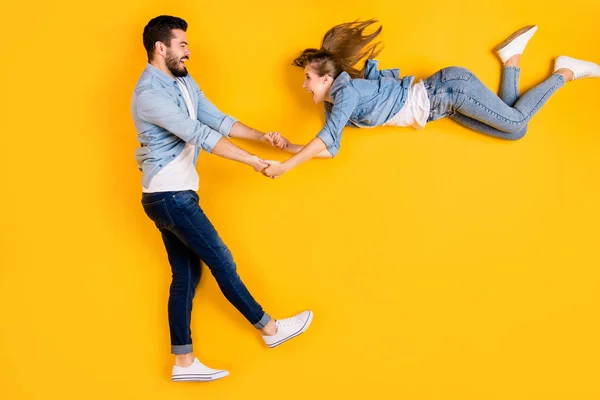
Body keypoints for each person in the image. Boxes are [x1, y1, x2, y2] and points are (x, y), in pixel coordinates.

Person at [131, 15, 313, 382]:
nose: (189, 51)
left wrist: (263, 137)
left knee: (186, 273)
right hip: (170, 195)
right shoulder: (148, 94)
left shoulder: (182, 82)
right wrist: (252, 162)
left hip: (169, 194)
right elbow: (199, 134)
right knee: (221, 259)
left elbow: (218, 120)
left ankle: (183, 362)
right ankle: (270, 329)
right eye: (182, 45)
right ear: (160, 48)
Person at [261, 21, 600, 178]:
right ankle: (512, 59)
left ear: (326, 78)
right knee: (516, 129)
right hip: (445, 107)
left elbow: (325, 138)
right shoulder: (337, 104)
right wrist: (289, 147)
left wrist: (286, 167)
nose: (304, 86)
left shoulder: (345, 91)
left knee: (515, 121)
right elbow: (329, 148)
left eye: (307, 78)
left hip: (449, 90)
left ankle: (565, 73)